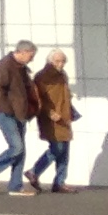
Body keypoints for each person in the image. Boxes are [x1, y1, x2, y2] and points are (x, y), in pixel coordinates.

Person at [0, 39, 38, 195]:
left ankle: (16, 186)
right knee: (16, 147)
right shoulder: (4, 65)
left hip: (20, 114)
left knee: (21, 151)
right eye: (31, 55)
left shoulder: (21, 68)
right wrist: (8, 109)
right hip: (6, 113)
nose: (32, 59)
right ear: (22, 52)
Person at [29, 49, 78, 194]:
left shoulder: (62, 76)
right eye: (57, 61)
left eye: (63, 61)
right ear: (50, 61)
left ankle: (59, 182)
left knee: (64, 151)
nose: (61, 64)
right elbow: (38, 99)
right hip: (50, 118)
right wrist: (50, 112)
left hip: (64, 117)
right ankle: (34, 171)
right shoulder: (42, 77)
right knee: (58, 148)